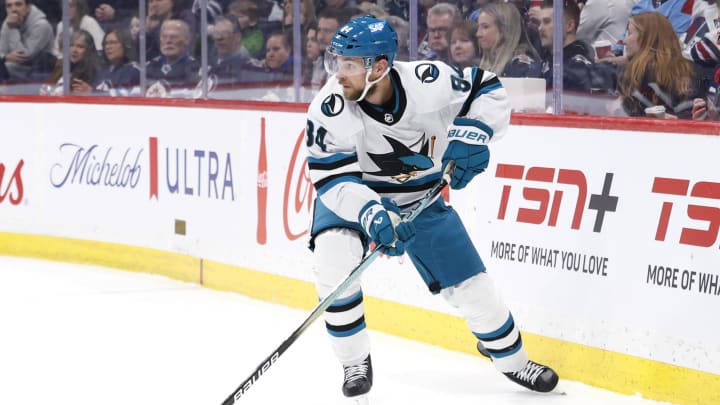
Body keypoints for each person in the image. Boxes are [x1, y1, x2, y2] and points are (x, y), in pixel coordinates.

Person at [305, 14, 559, 402]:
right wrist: (374, 214)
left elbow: (487, 88)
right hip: (354, 197)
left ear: (380, 66)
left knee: (475, 290)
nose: (339, 74)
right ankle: (354, 359)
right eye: (336, 62)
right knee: (333, 261)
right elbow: (333, 181)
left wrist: (474, 133)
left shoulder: (430, 80)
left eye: (350, 65)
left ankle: (513, 360)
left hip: (420, 199)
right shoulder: (330, 106)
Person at [615, 11, 697, 118]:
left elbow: (622, 114)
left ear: (646, 38)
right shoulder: (692, 69)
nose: (624, 41)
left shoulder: (632, 71)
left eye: (629, 34)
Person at [476, 2, 542, 78]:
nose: (478, 34)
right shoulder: (486, 65)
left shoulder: (521, 66)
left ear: (505, 29)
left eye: (485, 27)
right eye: (478, 27)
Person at [0, 0, 55, 82]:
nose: (13, 9)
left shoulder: (42, 25)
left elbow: (23, 56)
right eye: (9, 6)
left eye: (18, 4)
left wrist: (13, 28)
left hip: (39, 73)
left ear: (28, 7)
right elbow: (1, 51)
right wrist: (5, 57)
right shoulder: (9, 22)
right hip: (14, 70)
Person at [146, 19, 200, 94]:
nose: (168, 41)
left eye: (174, 37)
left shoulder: (195, 68)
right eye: (164, 37)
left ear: (187, 40)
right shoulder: (149, 66)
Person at [41, 29, 100, 95]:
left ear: (88, 50)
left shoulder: (92, 72)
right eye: (71, 45)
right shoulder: (60, 65)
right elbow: (46, 88)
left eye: (80, 47)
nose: (74, 50)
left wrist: (91, 92)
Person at [94, 28, 140, 94]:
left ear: (125, 45)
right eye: (105, 44)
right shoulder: (100, 71)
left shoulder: (133, 71)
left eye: (112, 43)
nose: (107, 47)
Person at [208, 15, 250, 87]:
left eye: (225, 33)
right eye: (216, 33)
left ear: (238, 37)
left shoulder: (247, 68)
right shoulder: (211, 58)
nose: (219, 38)